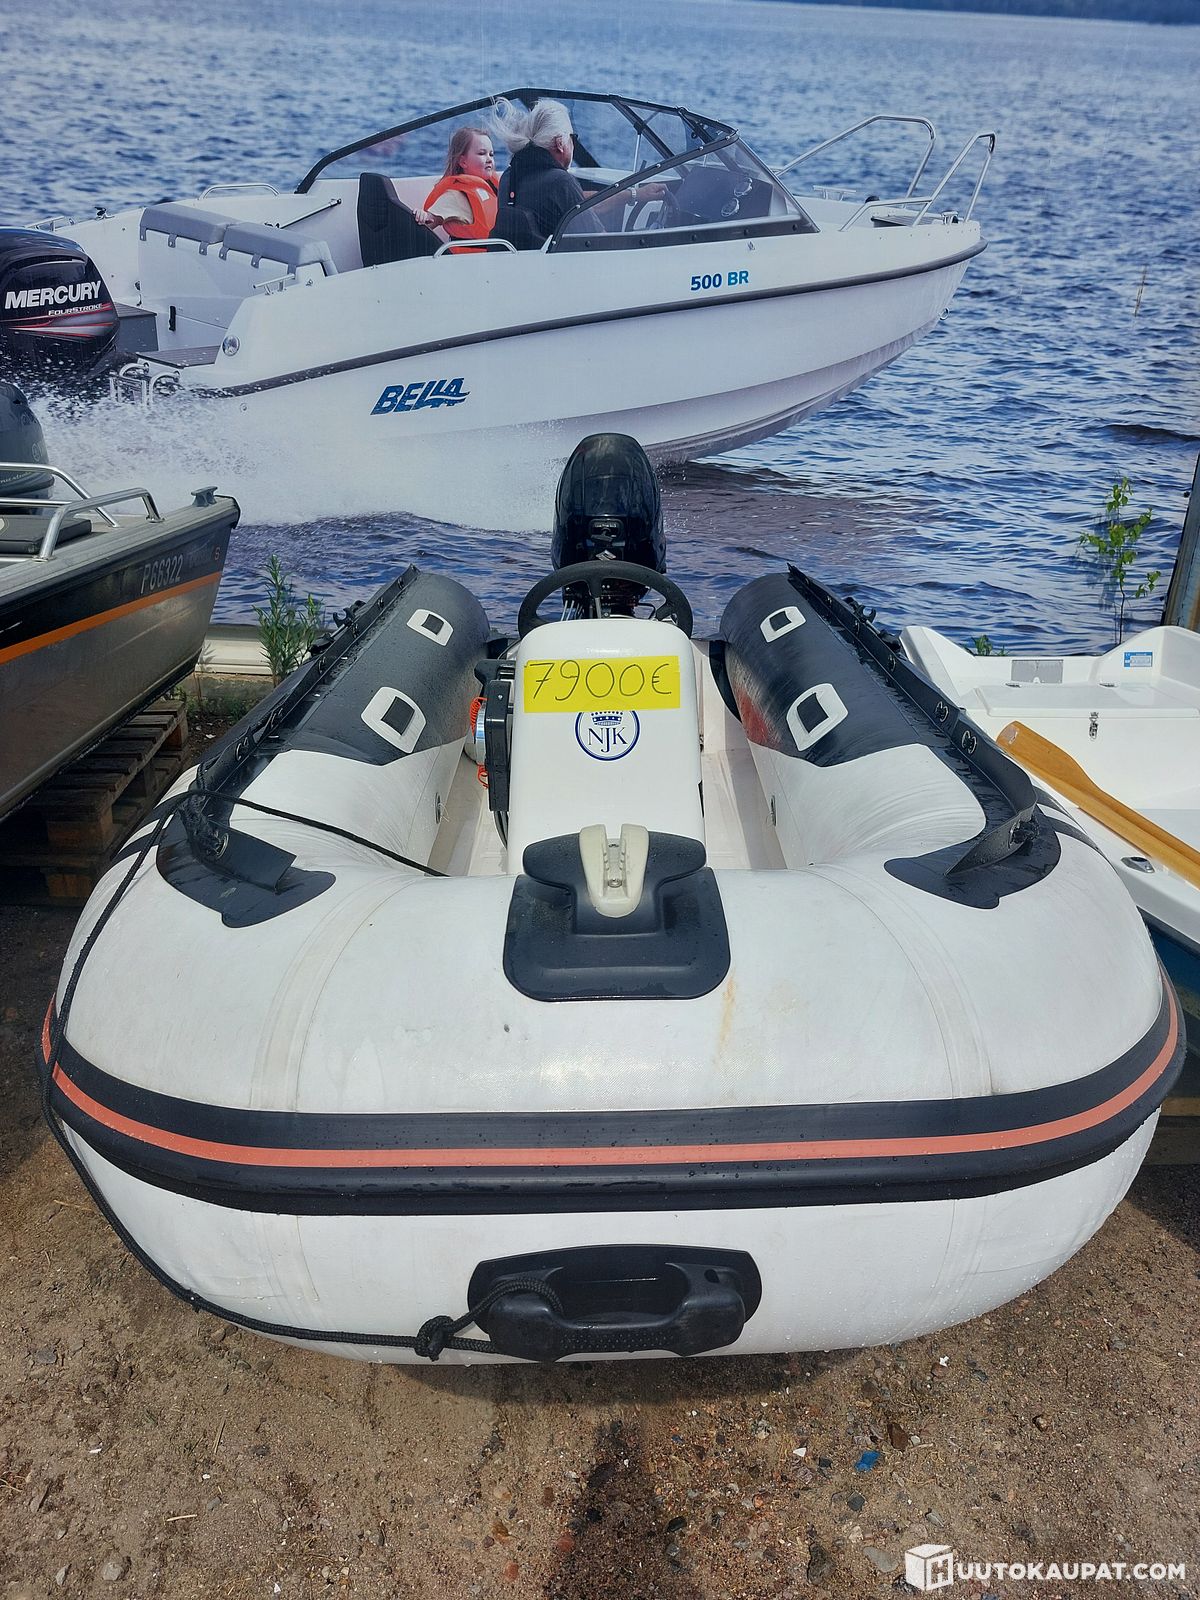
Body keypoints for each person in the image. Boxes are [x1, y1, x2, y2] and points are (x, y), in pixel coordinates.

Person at [488, 97, 601, 249]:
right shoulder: (561, 182)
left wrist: (624, 196)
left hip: (520, 261)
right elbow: (596, 239)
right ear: (560, 143)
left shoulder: (509, 177)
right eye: (572, 138)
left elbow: (560, 202)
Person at [412, 127, 498, 247]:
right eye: (482, 153)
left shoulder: (494, 188)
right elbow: (430, 221)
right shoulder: (455, 196)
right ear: (463, 162)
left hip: (500, 253)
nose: (489, 159)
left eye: (491, 154)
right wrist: (421, 216)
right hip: (472, 258)